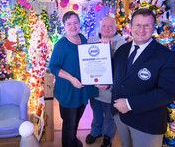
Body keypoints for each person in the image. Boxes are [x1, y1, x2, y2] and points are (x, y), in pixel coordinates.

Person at [111, 8, 175, 147]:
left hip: (147, 122)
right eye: (137, 25)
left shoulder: (166, 56)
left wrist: (130, 104)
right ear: (130, 27)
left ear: (154, 28)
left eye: (147, 25)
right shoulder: (122, 50)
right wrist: (106, 84)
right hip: (121, 117)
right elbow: (118, 78)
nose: (141, 29)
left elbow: (168, 93)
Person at [49, 11, 98, 147]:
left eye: (75, 22)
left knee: (76, 120)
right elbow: (53, 67)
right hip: (68, 90)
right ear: (64, 25)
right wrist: (71, 78)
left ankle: (73, 139)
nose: (73, 26)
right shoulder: (61, 45)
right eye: (69, 24)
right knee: (69, 124)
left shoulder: (82, 38)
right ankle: (69, 143)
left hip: (82, 89)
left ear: (79, 24)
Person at [85, 17, 126, 147]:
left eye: (110, 26)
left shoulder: (122, 44)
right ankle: (95, 132)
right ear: (99, 26)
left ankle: (108, 137)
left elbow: (122, 69)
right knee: (96, 112)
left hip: (111, 91)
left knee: (110, 117)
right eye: (104, 26)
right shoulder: (91, 41)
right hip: (95, 89)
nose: (107, 29)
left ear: (116, 28)